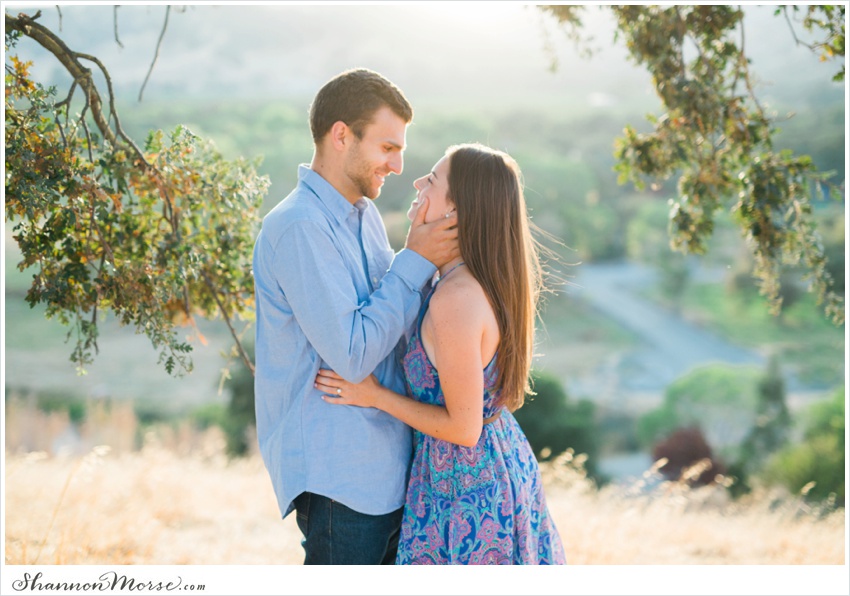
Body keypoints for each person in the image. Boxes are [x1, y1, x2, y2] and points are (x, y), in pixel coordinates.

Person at [315, 143, 567, 565]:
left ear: (457, 212)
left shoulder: (456, 300)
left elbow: (463, 428)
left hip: (467, 486)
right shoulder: (460, 280)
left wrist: (375, 396)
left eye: (431, 179)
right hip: (484, 467)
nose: (417, 182)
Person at [252, 68, 459, 565]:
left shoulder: (363, 214)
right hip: (340, 477)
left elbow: (394, 321)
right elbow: (352, 354)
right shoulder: (300, 227)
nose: (398, 164)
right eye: (387, 147)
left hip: (389, 469)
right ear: (341, 135)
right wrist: (415, 259)